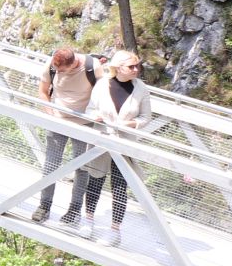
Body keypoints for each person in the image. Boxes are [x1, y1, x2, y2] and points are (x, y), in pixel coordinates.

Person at [69, 50, 151, 246]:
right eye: (131, 66)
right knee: (95, 180)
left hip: (124, 144)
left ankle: (115, 231)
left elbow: (145, 118)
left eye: (137, 66)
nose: (136, 69)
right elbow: (90, 109)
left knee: (120, 187)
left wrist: (130, 124)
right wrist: (94, 117)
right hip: (102, 139)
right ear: (118, 68)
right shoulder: (102, 84)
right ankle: (88, 220)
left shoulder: (141, 89)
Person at [32, 45, 98, 224]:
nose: (58, 72)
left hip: (84, 124)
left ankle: (74, 210)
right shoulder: (51, 65)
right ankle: (44, 206)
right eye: (56, 70)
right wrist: (50, 112)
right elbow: (43, 91)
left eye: (62, 71)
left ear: (74, 64)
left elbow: (104, 94)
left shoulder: (93, 67)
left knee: (81, 169)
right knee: (50, 165)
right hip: (58, 122)